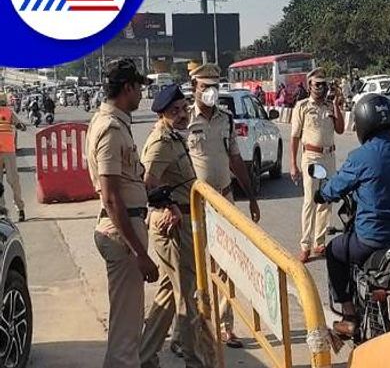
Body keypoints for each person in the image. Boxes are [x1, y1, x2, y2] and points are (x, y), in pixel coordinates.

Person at [316, 94, 390, 338]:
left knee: (334, 252)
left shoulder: (361, 157)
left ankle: (348, 316)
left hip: (370, 241)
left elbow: (334, 188)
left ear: (362, 123)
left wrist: (321, 194)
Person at [86, 59, 159, 368]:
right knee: (126, 332)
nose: (141, 95)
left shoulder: (112, 122)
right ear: (127, 88)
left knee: (126, 322)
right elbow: (112, 197)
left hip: (125, 224)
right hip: (122, 229)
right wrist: (139, 252)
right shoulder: (111, 128)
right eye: (138, 88)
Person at [186, 63, 261, 348]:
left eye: (214, 87)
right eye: (205, 87)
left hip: (225, 199)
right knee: (195, 266)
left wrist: (251, 196)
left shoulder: (226, 120)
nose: (211, 93)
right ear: (194, 88)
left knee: (225, 263)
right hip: (197, 203)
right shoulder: (184, 120)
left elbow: (235, 160)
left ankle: (226, 325)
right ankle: (195, 325)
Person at [139, 85, 203, 368]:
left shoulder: (174, 137)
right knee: (186, 295)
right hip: (174, 226)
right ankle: (195, 360)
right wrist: (167, 206)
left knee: (168, 293)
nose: (181, 115)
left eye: (183, 109)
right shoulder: (161, 142)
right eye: (174, 111)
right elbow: (146, 182)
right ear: (163, 114)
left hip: (184, 221)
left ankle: (143, 355)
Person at [289, 69, 345, 263]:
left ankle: (319, 242)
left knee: (326, 200)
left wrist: (337, 105)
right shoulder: (302, 107)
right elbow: (295, 137)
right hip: (311, 156)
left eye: (323, 84)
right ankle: (305, 245)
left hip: (329, 156)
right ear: (309, 85)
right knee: (310, 200)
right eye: (316, 84)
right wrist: (293, 164)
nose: (320, 88)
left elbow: (340, 129)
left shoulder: (330, 105)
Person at [0, 93, 27, 221]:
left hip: (8, 151)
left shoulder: (9, 113)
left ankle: (20, 208)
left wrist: (19, 126)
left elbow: (21, 126)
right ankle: (2, 210)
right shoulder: (9, 112)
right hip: (7, 151)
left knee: (13, 181)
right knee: (13, 181)